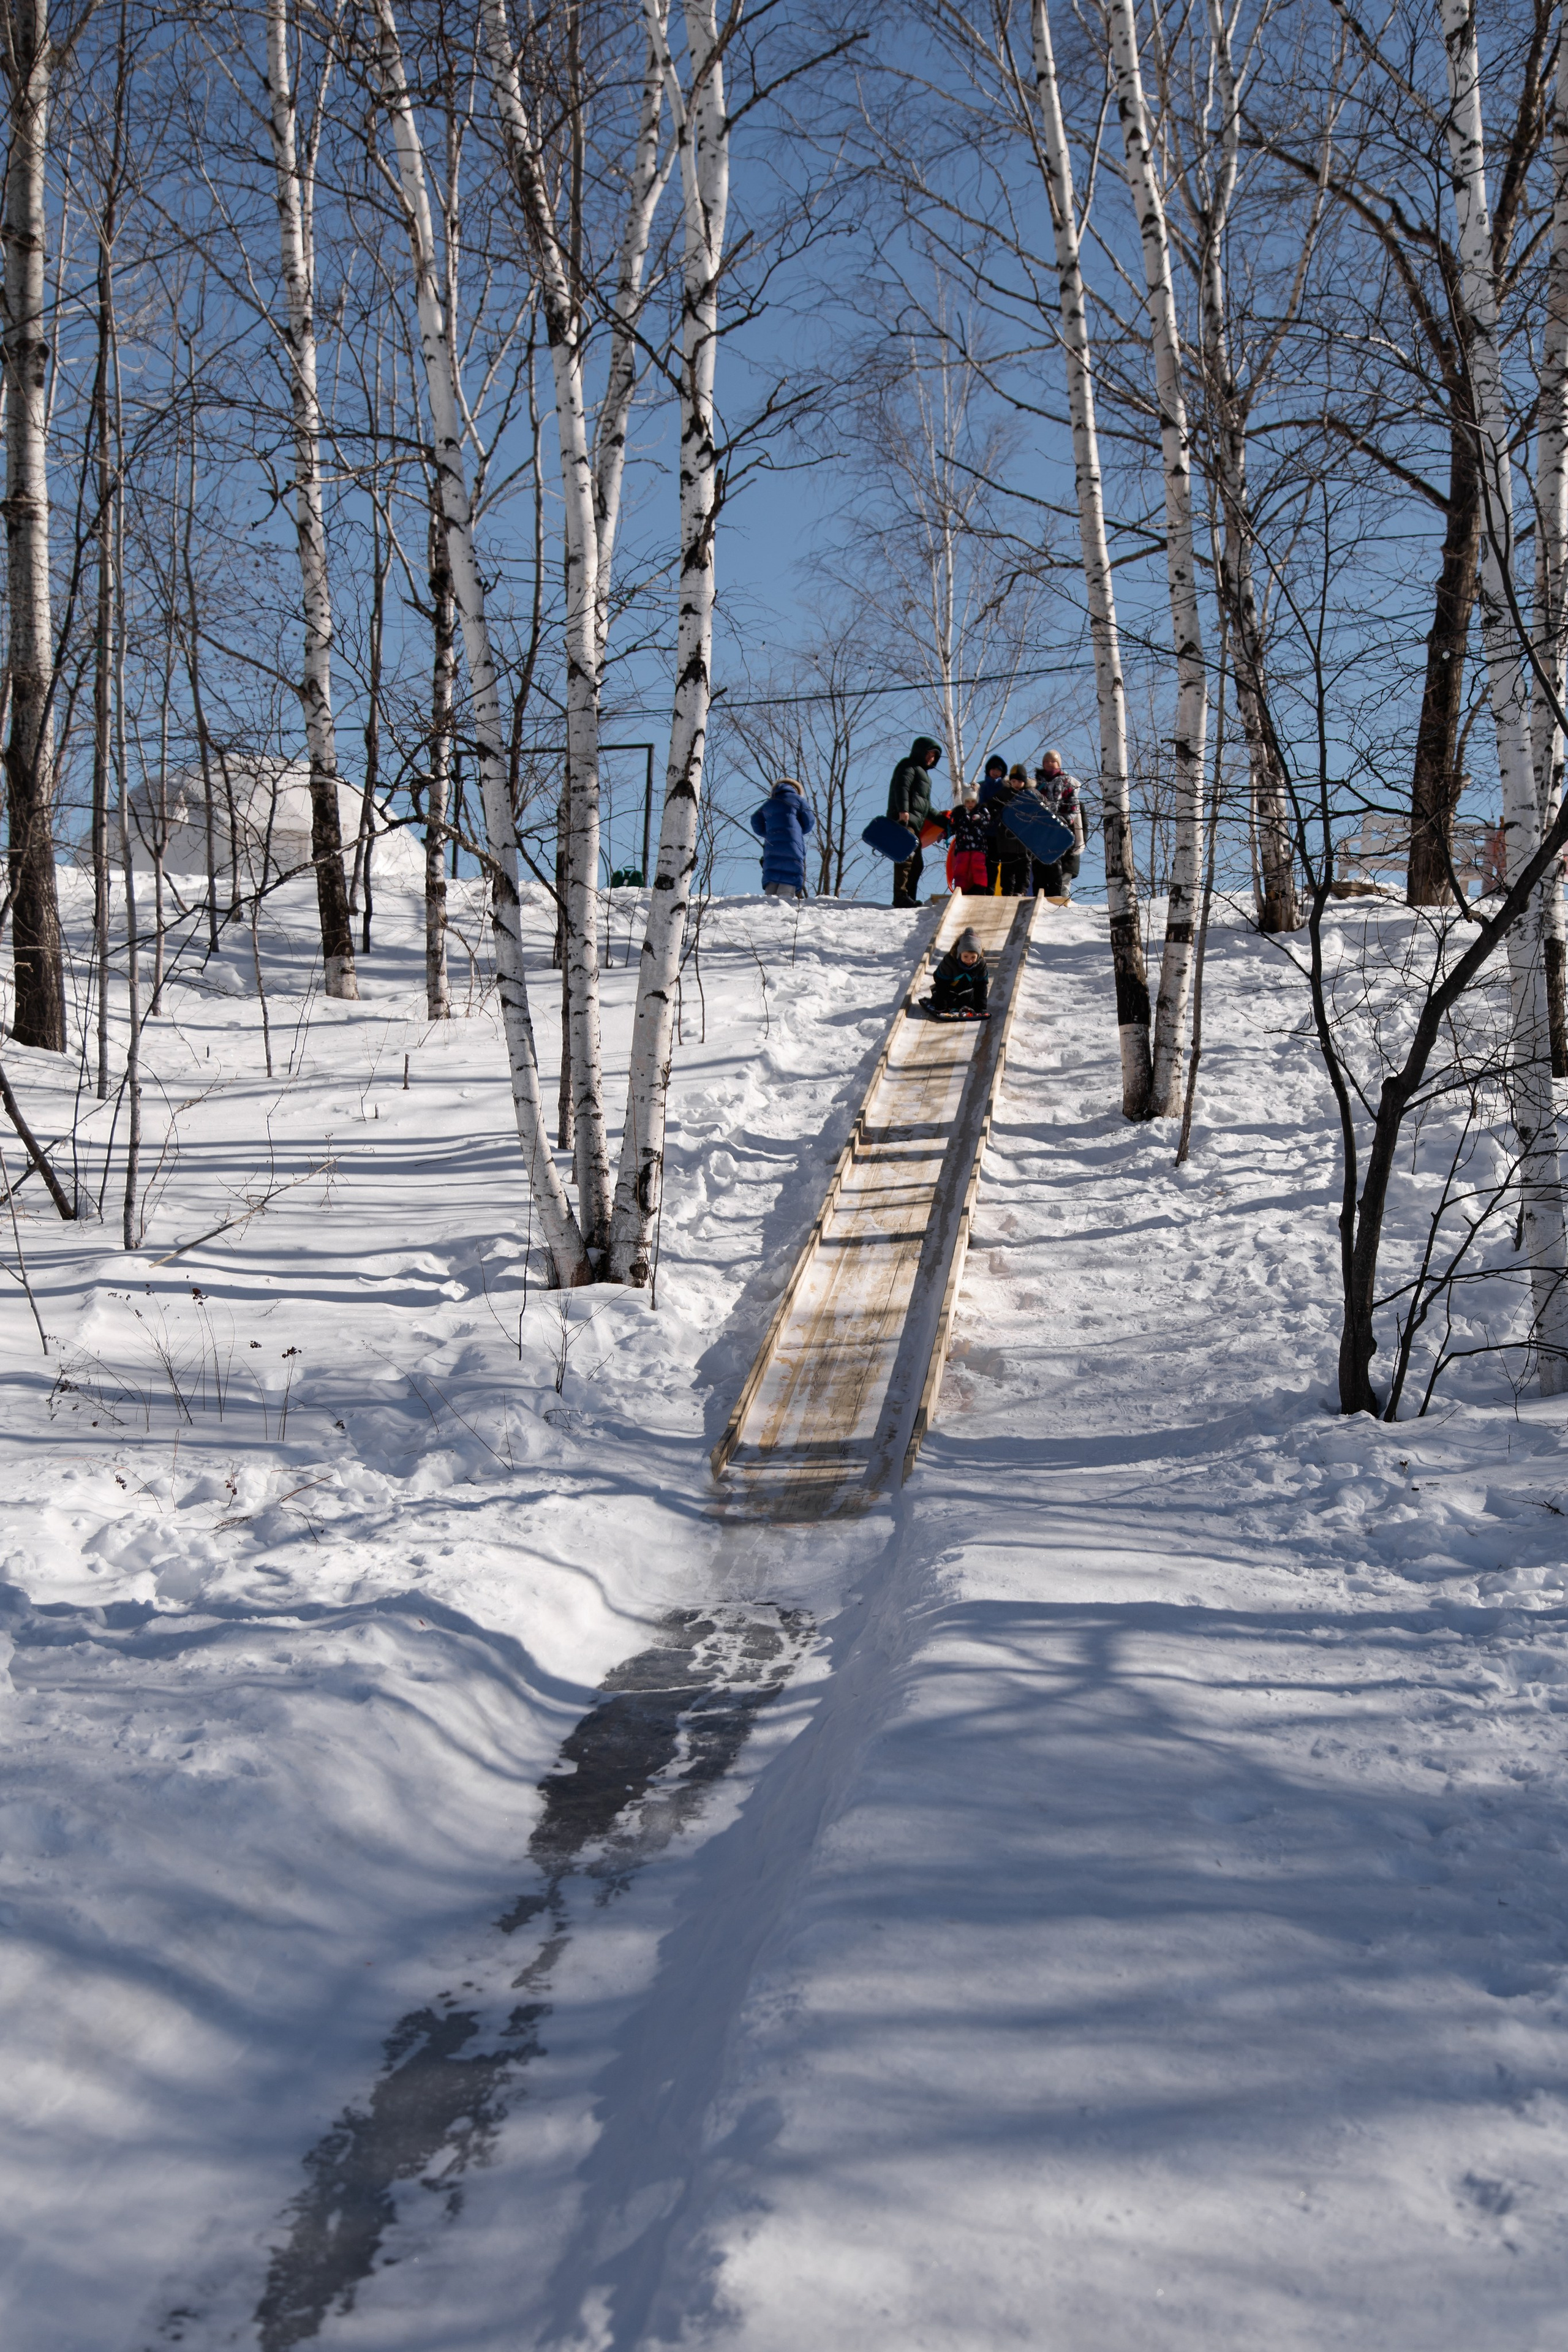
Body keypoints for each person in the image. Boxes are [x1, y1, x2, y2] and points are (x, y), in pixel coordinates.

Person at [886, 734, 943, 907]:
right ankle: (900, 896)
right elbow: (901, 787)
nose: (931, 758)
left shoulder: (925, 776)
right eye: (929, 754)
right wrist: (903, 810)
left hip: (916, 824)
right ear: (920, 752)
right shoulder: (908, 765)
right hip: (904, 820)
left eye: (934, 756)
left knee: (917, 864)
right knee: (906, 858)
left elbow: (925, 807)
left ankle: (909, 896)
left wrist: (944, 821)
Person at [750, 775, 814, 900]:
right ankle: (784, 906)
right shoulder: (798, 800)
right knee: (789, 876)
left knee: (772, 877)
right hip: (793, 845)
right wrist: (798, 832)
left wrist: (767, 833)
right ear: (796, 790)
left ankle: (768, 905)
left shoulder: (769, 803)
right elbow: (809, 822)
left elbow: (755, 820)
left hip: (772, 846)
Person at [1033, 748, 1087, 898]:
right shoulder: (1036, 784)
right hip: (1041, 830)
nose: (1049, 764)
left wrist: (1064, 821)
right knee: (1040, 867)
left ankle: (1057, 896)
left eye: (1053, 761)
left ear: (1059, 764)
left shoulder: (1067, 783)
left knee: (1057, 868)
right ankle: (1038, 894)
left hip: (1060, 828)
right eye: (1047, 761)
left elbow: (1073, 805)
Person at [981, 763, 1034, 896]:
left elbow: (1044, 806)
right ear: (1010, 781)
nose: (1016, 784)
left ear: (1025, 782)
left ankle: (1021, 890)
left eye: (1020, 781)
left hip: (1024, 839)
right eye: (1014, 781)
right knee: (1007, 868)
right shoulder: (1003, 794)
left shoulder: (1031, 794)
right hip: (1006, 839)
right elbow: (991, 807)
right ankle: (1007, 891)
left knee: (1024, 867)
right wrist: (992, 813)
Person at [922, 927, 989, 1020]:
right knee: (948, 999)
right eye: (966, 956)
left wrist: (981, 1008)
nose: (969, 960)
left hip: (967, 990)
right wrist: (941, 1008)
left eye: (973, 957)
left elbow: (982, 987)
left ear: (978, 956)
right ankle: (937, 998)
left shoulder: (981, 965)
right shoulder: (949, 962)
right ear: (959, 954)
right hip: (949, 989)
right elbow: (942, 985)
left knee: (969, 1001)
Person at [945, 786, 991, 895]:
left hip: (979, 847)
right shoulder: (959, 813)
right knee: (961, 867)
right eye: (967, 801)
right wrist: (944, 835)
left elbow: (988, 821)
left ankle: (980, 888)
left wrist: (980, 818)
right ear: (963, 802)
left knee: (979, 866)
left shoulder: (981, 811)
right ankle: (961, 889)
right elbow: (951, 827)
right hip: (963, 847)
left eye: (973, 801)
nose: (970, 804)